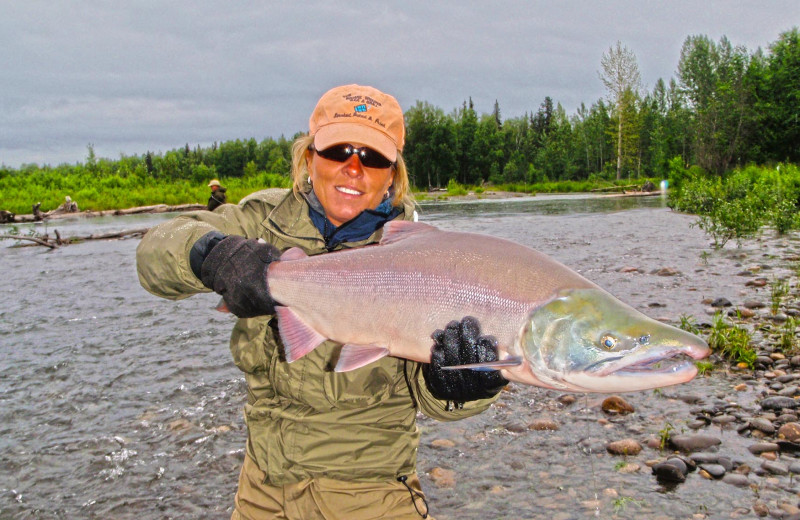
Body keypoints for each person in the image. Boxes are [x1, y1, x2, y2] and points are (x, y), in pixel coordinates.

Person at [136, 84, 507, 520]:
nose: (354, 168)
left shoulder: (427, 264)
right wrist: (209, 254)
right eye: (338, 151)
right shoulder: (260, 221)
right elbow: (153, 254)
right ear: (310, 158)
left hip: (368, 497)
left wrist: (466, 385)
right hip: (260, 490)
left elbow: (435, 407)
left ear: (393, 174)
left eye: (372, 158)